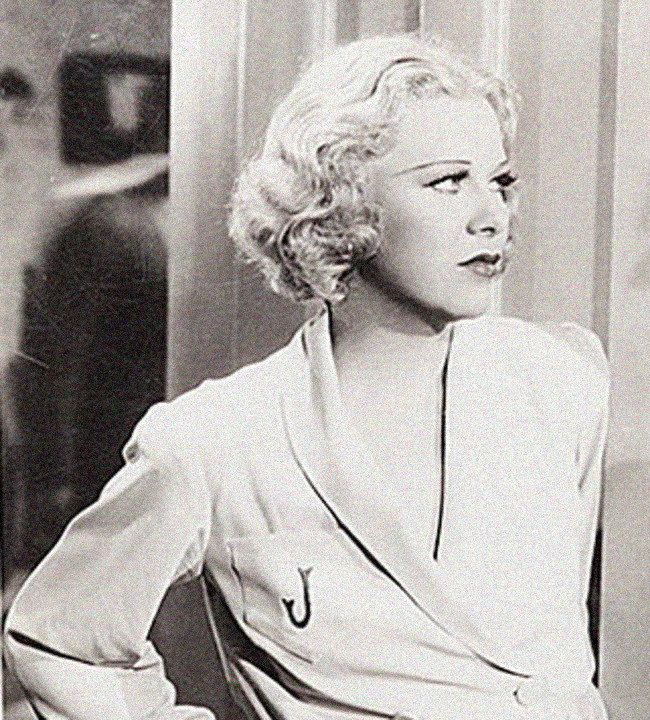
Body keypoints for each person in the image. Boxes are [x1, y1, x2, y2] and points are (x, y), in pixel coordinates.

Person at [4, 35, 609, 720]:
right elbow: (57, 644)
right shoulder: (216, 439)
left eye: (500, 182)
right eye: (448, 181)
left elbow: (560, 655)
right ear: (341, 202)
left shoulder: (561, 378)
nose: (493, 216)